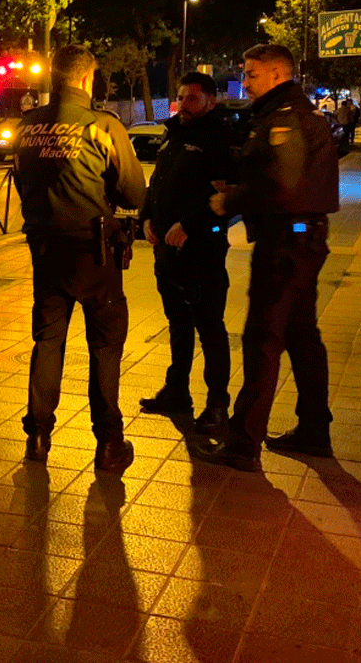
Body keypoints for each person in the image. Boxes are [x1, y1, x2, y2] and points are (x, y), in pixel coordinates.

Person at [201, 44, 340, 472]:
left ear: (278, 75)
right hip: (303, 239)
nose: (245, 81)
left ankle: (244, 443)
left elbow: (282, 184)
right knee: (301, 336)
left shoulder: (285, 119)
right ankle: (315, 430)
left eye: (252, 73)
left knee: (262, 340)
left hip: (285, 243)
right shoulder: (297, 113)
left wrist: (230, 201)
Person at [12, 44, 147, 472]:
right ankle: (109, 442)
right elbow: (134, 193)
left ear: (53, 77)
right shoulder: (102, 126)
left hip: (45, 250)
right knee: (105, 346)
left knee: (48, 342)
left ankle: (37, 436)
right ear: (88, 80)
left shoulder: (28, 126)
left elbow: (21, 180)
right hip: (95, 251)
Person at [138, 72, 236, 433]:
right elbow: (157, 181)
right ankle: (177, 391)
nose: (183, 105)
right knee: (178, 326)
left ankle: (217, 405)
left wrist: (188, 225)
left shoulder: (220, 139)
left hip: (202, 253)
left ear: (211, 100)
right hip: (167, 253)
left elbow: (225, 199)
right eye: (180, 97)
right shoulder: (173, 134)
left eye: (192, 98)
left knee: (209, 327)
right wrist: (146, 217)